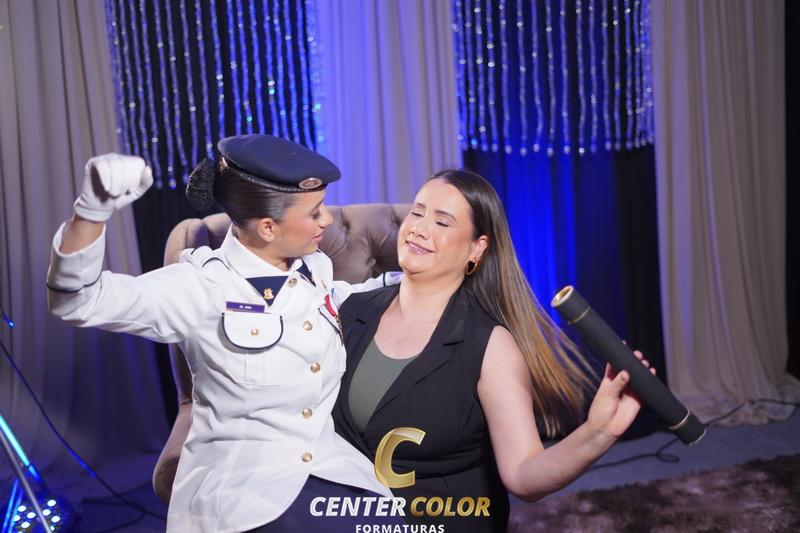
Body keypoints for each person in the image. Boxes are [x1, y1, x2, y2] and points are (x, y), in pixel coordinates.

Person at [46, 135, 403, 532]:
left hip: (325, 466)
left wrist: (407, 282)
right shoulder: (200, 287)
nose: (327, 221)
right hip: (243, 489)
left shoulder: (313, 267)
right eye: (315, 212)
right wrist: (91, 212)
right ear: (268, 228)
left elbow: (334, 299)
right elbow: (77, 301)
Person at [332, 169, 655, 532]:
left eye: (442, 221)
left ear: (476, 249)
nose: (419, 228)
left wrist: (598, 432)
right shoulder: (349, 312)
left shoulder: (490, 346)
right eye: (417, 212)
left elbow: (523, 475)